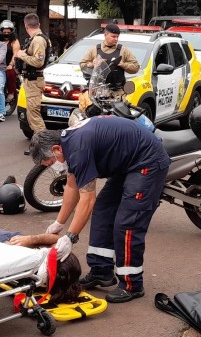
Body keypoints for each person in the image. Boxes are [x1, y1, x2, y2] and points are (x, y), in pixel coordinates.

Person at [29, 116, 170, 303]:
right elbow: (72, 186)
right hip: (127, 163)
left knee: (128, 222)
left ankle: (132, 284)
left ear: (56, 149)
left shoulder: (77, 148)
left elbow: (87, 200)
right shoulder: (69, 143)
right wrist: (58, 223)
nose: (53, 168)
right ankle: (101, 271)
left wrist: (70, 237)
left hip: (147, 161)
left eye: (49, 163)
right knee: (103, 210)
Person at [0, 209, 84, 305]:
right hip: (17, 250)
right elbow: (56, 239)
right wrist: (30, 240)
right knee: (15, 237)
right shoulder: (61, 270)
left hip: (4, 255)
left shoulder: (37, 276)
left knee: (3, 239)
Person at [15, 13, 51, 137]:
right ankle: (39, 142)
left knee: (34, 116)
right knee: (31, 115)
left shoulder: (38, 40)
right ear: (39, 24)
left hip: (34, 81)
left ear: (26, 26)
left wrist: (22, 55)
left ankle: (44, 143)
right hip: (30, 81)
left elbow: (38, 61)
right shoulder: (34, 39)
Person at [78, 23, 140, 91]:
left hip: (117, 93)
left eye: (117, 37)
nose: (116, 39)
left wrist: (124, 65)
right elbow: (82, 65)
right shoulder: (94, 49)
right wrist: (93, 64)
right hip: (98, 92)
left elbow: (136, 67)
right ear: (105, 35)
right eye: (113, 36)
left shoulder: (123, 50)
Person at [0, 19, 20, 102]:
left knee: (10, 72)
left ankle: (11, 92)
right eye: (4, 32)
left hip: (11, 65)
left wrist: (11, 64)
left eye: (8, 32)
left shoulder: (14, 41)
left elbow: (15, 54)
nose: (6, 34)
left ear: (12, 32)